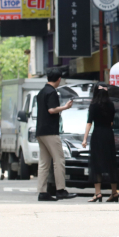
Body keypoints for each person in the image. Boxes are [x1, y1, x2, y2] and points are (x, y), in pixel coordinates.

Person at [36, 68, 77, 201]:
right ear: (59, 79)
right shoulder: (52, 92)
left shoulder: (42, 92)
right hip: (50, 132)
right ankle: (60, 190)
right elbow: (51, 110)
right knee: (59, 160)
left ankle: (42, 192)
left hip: (40, 131)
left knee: (44, 163)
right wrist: (65, 107)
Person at [82, 84, 119, 203]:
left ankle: (98, 193)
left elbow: (89, 123)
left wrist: (84, 139)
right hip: (108, 134)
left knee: (96, 163)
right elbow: (112, 122)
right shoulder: (111, 105)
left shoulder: (93, 105)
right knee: (111, 162)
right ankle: (114, 192)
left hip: (97, 135)